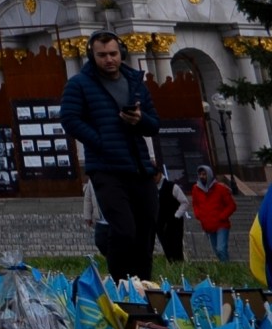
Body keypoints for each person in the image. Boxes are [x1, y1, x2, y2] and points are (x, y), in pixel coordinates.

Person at [60, 31, 163, 281]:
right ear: (91, 56)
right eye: (102, 55)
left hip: (139, 166)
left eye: (113, 54)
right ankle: (120, 284)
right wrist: (100, 141)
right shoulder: (79, 84)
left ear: (122, 54)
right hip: (106, 168)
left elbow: (154, 124)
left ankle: (144, 285)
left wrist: (139, 120)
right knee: (124, 230)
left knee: (147, 228)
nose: (109, 59)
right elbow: (69, 119)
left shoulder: (136, 82)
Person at [188, 165, 237, 261]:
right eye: (200, 174)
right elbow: (195, 203)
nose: (202, 176)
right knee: (216, 250)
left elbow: (231, 205)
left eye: (204, 174)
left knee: (221, 248)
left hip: (221, 224)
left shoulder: (220, 189)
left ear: (209, 175)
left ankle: (226, 268)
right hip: (207, 224)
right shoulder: (196, 189)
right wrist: (199, 215)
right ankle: (225, 267)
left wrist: (222, 216)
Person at [157, 171, 187, 262]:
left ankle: (179, 266)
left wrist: (177, 215)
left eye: (155, 174)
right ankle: (172, 264)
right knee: (167, 248)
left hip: (174, 222)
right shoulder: (150, 188)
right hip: (160, 223)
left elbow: (184, 202)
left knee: (176, 247)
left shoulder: (172, 186)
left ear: (160, 173)